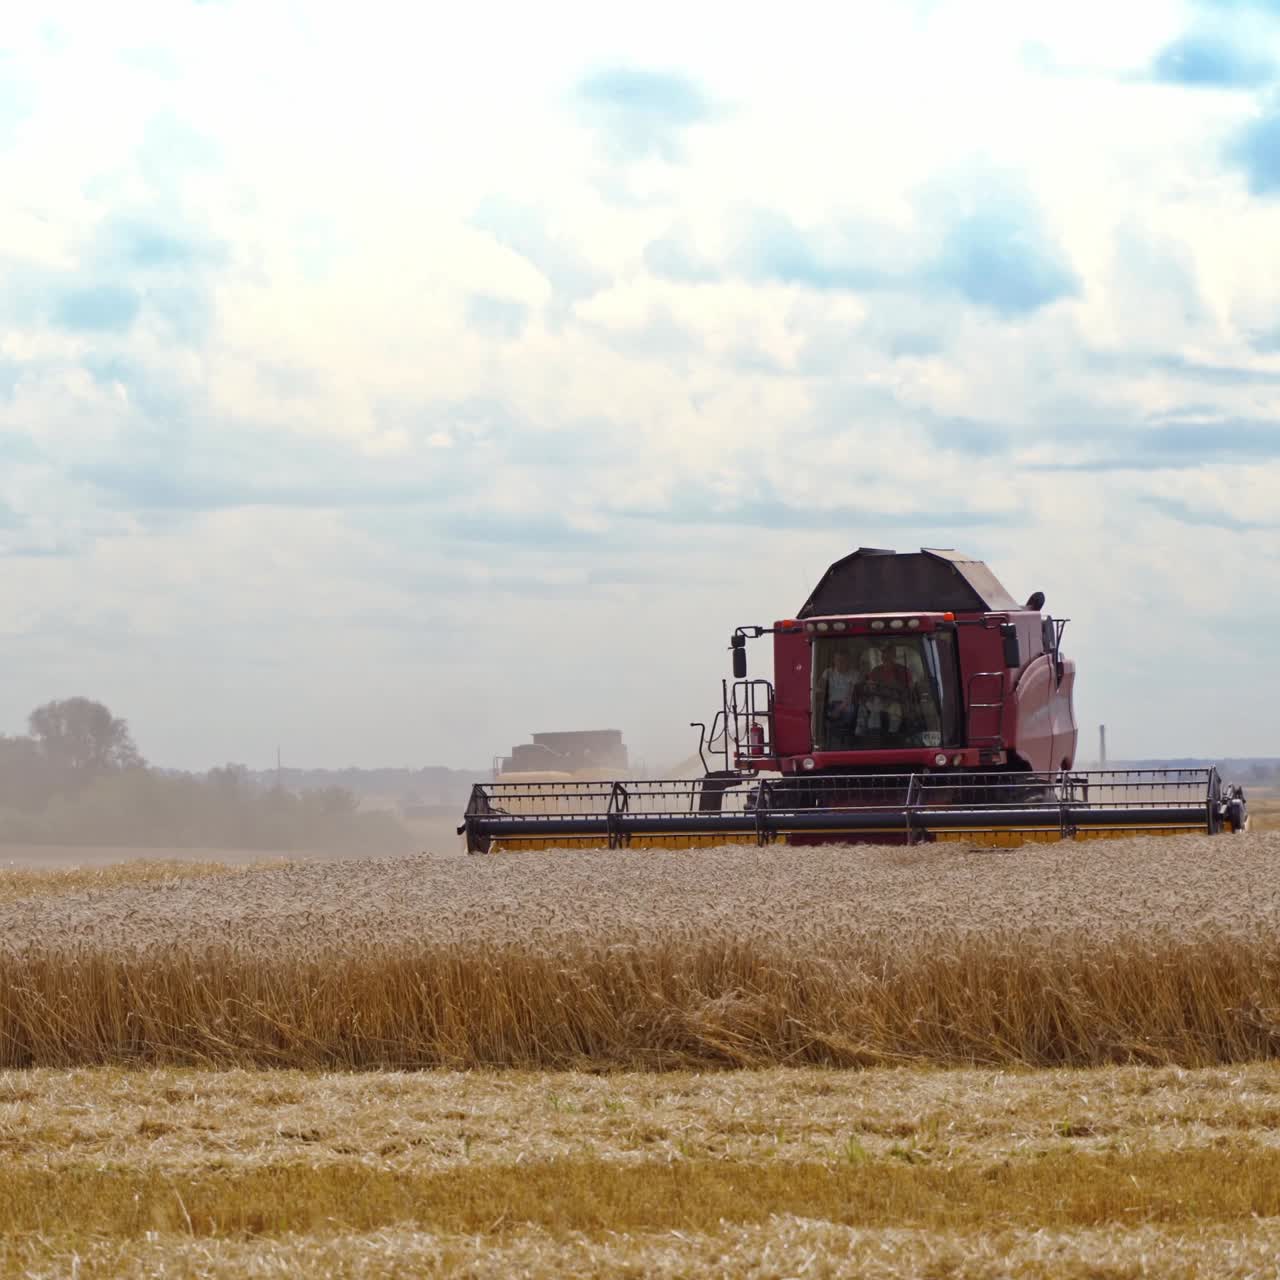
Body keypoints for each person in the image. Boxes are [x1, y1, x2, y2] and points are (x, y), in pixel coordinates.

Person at [817, 648, 861, 748]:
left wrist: (838, 710)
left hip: (847, 705)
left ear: (848, 661)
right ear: (834, 661)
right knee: (821, 711)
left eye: (843, 661)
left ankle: (844, 739)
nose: (840, 663)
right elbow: (819, 688)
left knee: (850, 711)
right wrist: (819, 698)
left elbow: (850, 696)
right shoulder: (828, 672)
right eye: (838, 661)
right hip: (831, 704)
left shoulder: (854, 674)